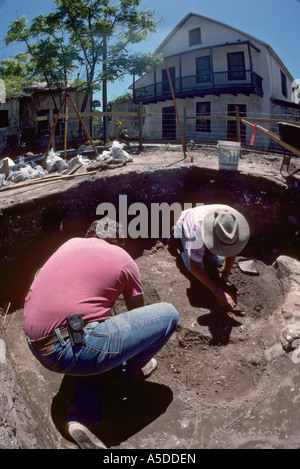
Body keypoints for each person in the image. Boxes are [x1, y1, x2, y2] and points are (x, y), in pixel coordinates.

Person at [23, 219, 179, 449]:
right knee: (168, 314)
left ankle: (81, 419)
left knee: (95, 330)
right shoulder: (123, 259)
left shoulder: (70, 244)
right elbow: (140, 316)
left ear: (89, 235)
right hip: (69, 348)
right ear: (119, 243)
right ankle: (127, 373)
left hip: (36, 343)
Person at [171, 204, 250, 310]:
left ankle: (203, 250)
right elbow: (195, 267)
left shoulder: (233, 222)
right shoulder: (198, 229)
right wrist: (217, 292)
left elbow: (233, 249)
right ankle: (178, 238)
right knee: (192, 269)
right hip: (187, 226)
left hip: (209, 231)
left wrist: (224, 277)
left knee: (219, 260)